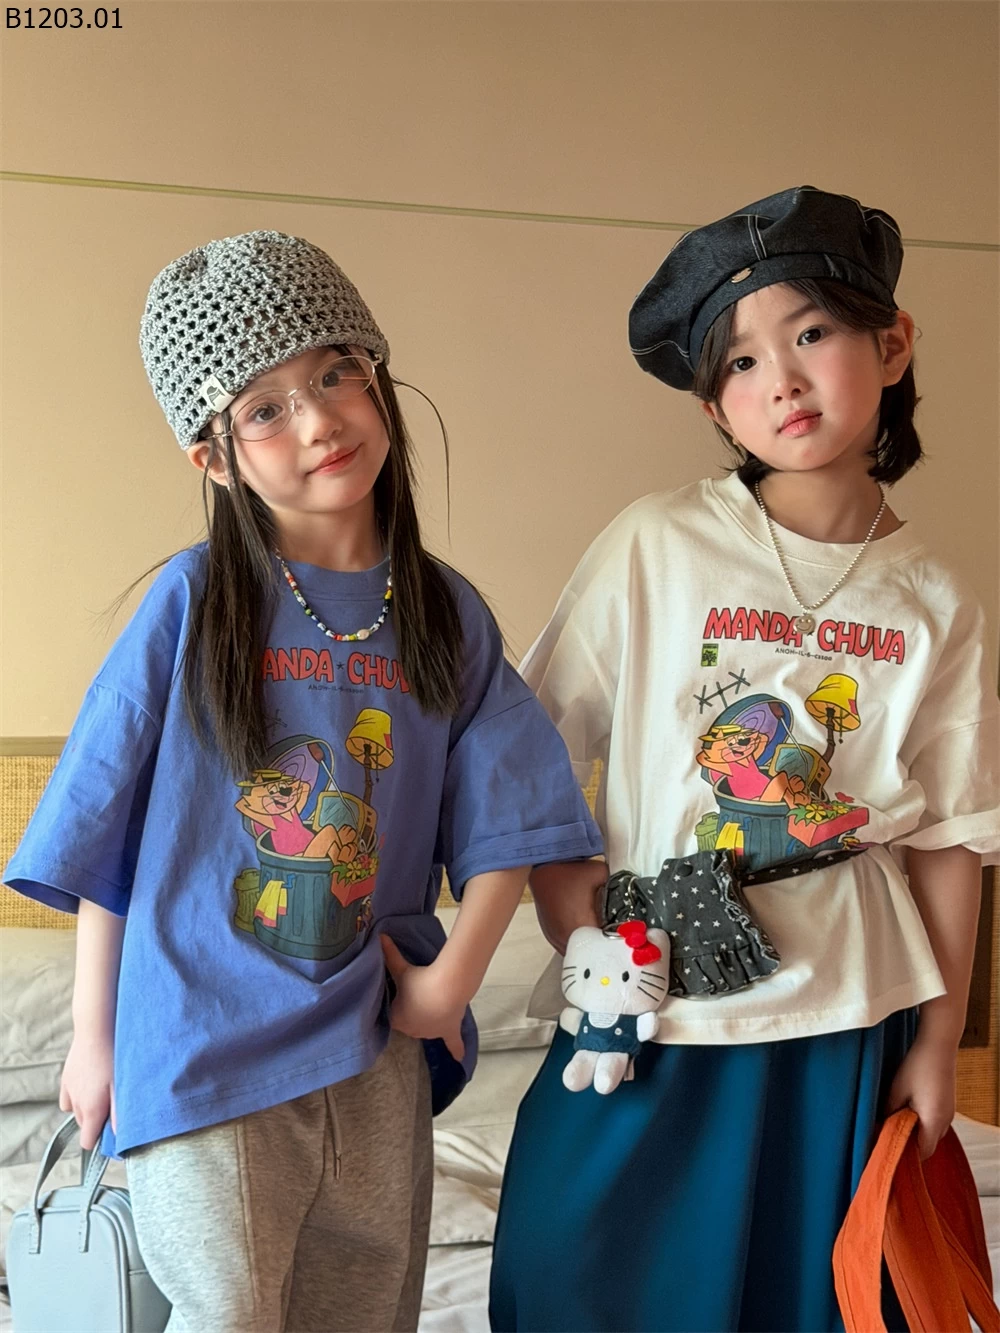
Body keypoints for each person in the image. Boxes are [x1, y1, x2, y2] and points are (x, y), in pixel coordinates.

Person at [4, 230, 602, 1333]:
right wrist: (94, 1039)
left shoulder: (448, 614)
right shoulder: (191, 605)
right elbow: (104, 840)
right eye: (266, 408)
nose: (320, 420)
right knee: (229, 1312)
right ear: (214, 458)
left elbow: (514, 819)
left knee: (364, 1312)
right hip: (198, 1045)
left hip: (372, 1044)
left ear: (379, 378)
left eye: (336, 373)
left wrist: (449, 987)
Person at [489, 186, 999, 1332]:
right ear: (714, 405)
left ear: (893, 342)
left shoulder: (937, 598)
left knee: (800, 1295)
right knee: (568, 1270)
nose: (782, 380)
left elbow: (952, 838)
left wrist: (937, 1041)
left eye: (811, 332)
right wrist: (575, 924)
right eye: (740, 362)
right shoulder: (655, 543)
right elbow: (528, 757)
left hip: (846, 1015)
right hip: (655, 996)